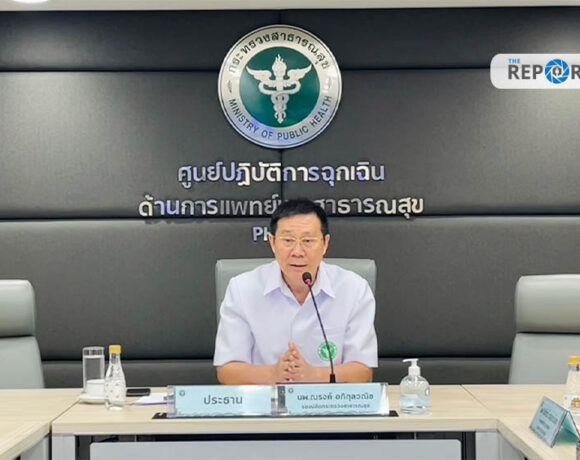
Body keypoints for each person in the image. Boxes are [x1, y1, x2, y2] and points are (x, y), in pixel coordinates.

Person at [213, 199, 378, 384]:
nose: (297, 251)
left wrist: (314, 375)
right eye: (288, 240)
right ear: (272, 242)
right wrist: (274, 374)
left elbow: (363, 372)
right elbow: (227, 371)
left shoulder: (354, 289)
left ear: (325, 244)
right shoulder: (242, 289)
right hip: (265, 400)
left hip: (328, 401)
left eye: (308, 241)